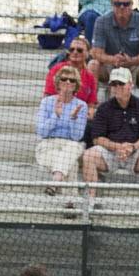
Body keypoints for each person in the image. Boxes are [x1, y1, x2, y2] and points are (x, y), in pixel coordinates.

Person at [81, 67, 139, 212]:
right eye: (113, 84)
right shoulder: (103, 108)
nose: (117, 87)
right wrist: (118, 147)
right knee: (89, 155)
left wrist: (132, 147)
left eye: (121, 84)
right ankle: (90, 202)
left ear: (131, 85)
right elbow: (97, 138)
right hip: (110, 153)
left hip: (135, 153)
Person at [36, 66, 87, 197]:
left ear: (76, 85)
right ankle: (70, 203)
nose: (68, 82)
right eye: (64, 79)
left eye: (72, 80)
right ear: (58, 82)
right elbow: (42, 132)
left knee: (73, 147)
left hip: (70, 144)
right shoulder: (47, 102)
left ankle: (55, 182)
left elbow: (77, 137)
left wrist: (73, 118)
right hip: (48, 145)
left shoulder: (81, 105)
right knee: (72, 164)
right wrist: (56, 116)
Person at [88, 0, 139, 85]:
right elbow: (96, 52)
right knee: (93, 64)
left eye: (126, 4)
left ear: (132, 5)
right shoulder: (101, 21)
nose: (122, 7)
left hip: (135, 65)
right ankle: (92, 98)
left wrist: (131, 61)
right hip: (110, 65)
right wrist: (113, 59)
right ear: (112, 5)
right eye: (117, 4)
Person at [43, 35, 98, 116]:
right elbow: (47, 97)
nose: (75, 52)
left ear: (87, 53)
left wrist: (89, 113)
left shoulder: (90, 77)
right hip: (56, 113)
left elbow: (91, 104)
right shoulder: (57, 69)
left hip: (79, 115)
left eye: (79, 50)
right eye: (72, 49)